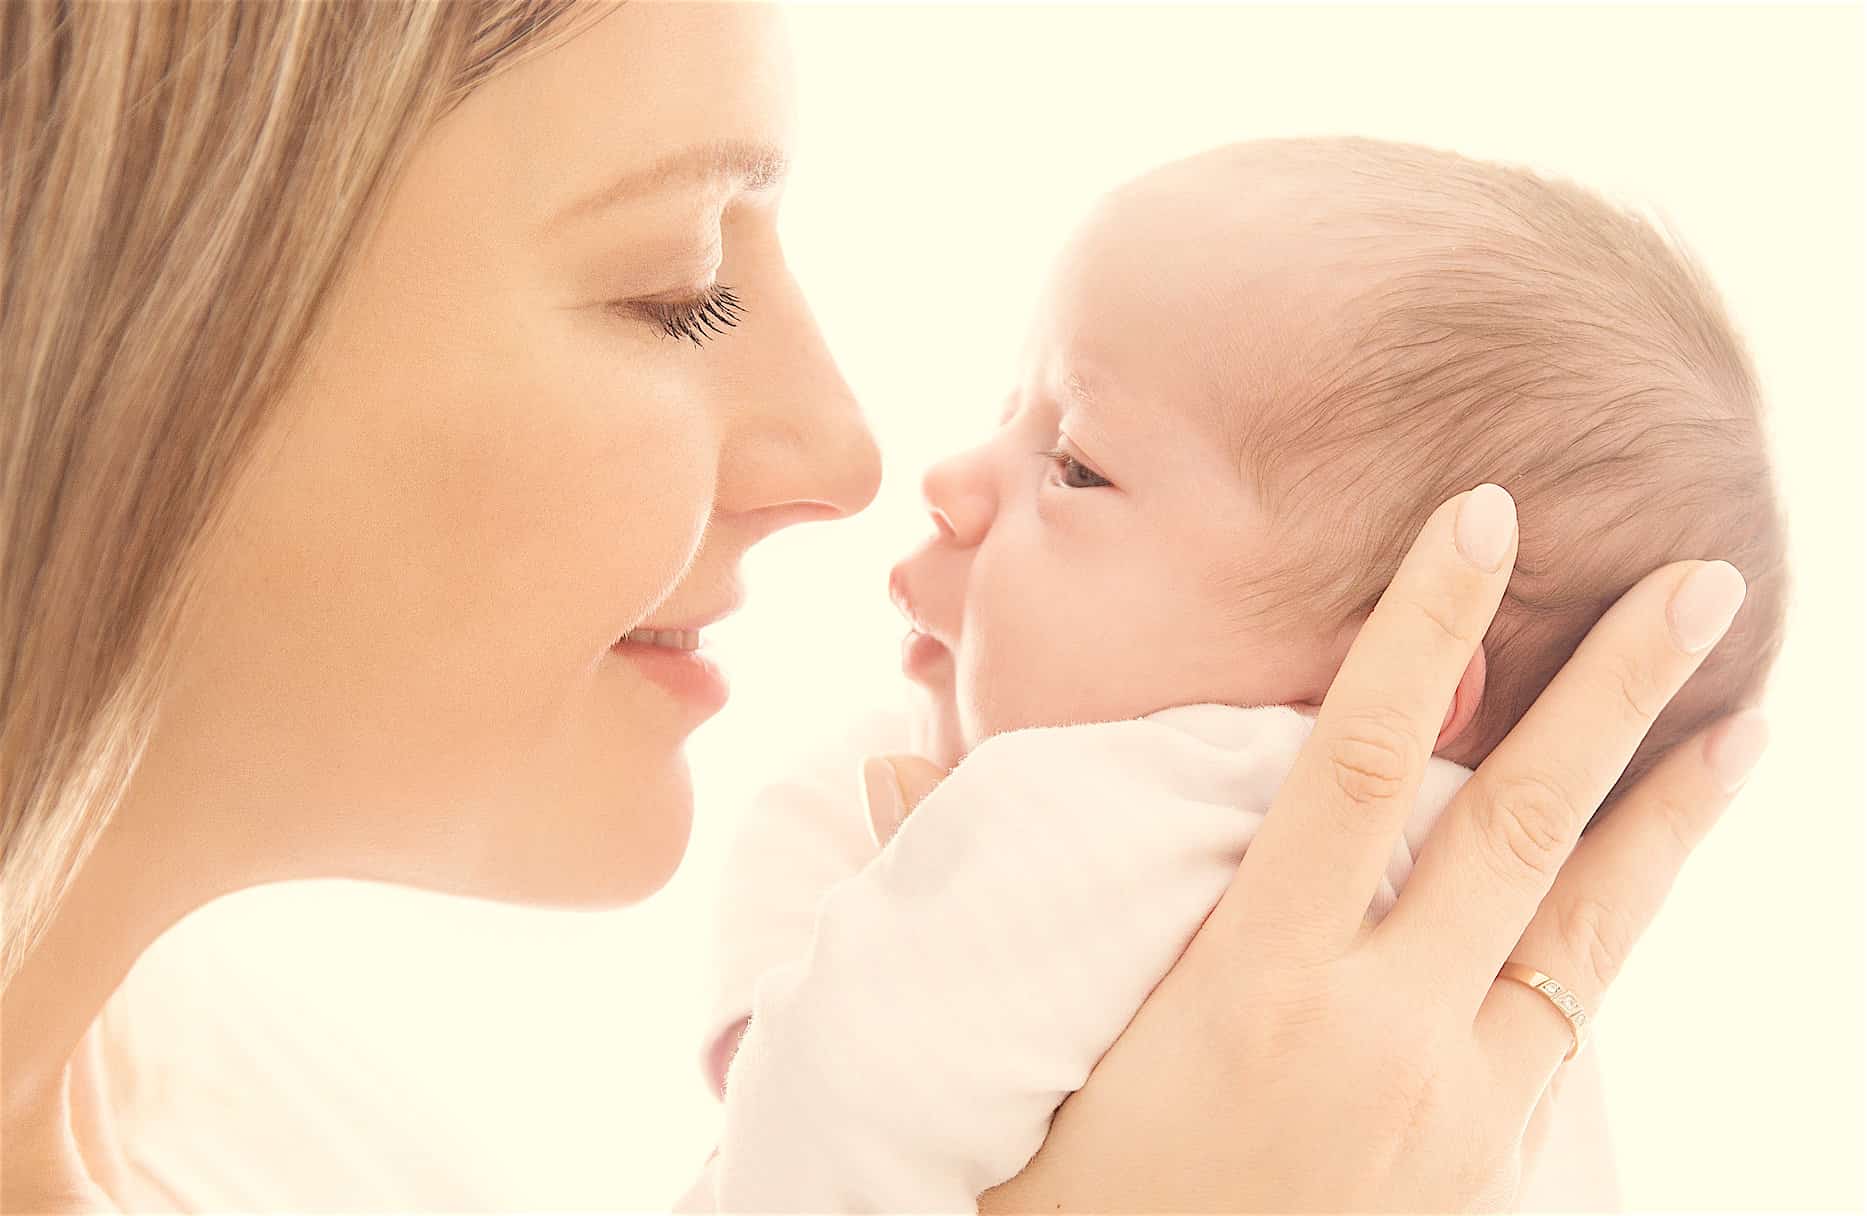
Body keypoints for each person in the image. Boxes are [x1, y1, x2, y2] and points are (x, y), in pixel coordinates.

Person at [0, 3, 1771, 1213]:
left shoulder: (290, 1130)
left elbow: (844, 1061)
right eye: (675, 289)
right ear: (113, 334)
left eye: (1076, 467)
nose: (854, 457)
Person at [680, 136, 1783, 1211]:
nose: (951, 478)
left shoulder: (1103, 813)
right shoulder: (1494, 1007)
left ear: (1380, 689)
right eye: (1010, 413)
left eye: (1075, 465)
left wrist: (783, 992)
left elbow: (826, 1098)